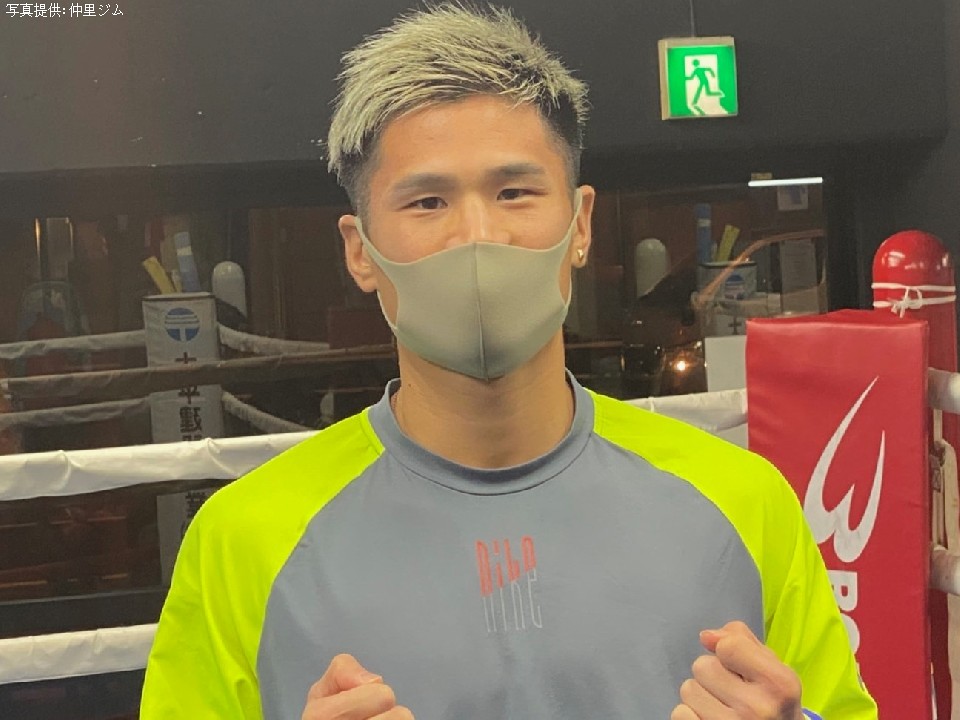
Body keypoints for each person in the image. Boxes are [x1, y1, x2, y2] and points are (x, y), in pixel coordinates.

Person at [141, 5, 878, 719]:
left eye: (514, 192)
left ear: (580, 224)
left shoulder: (743, 503)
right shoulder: (244, 540)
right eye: (427, 202)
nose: (477, 236)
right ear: (359, 251)